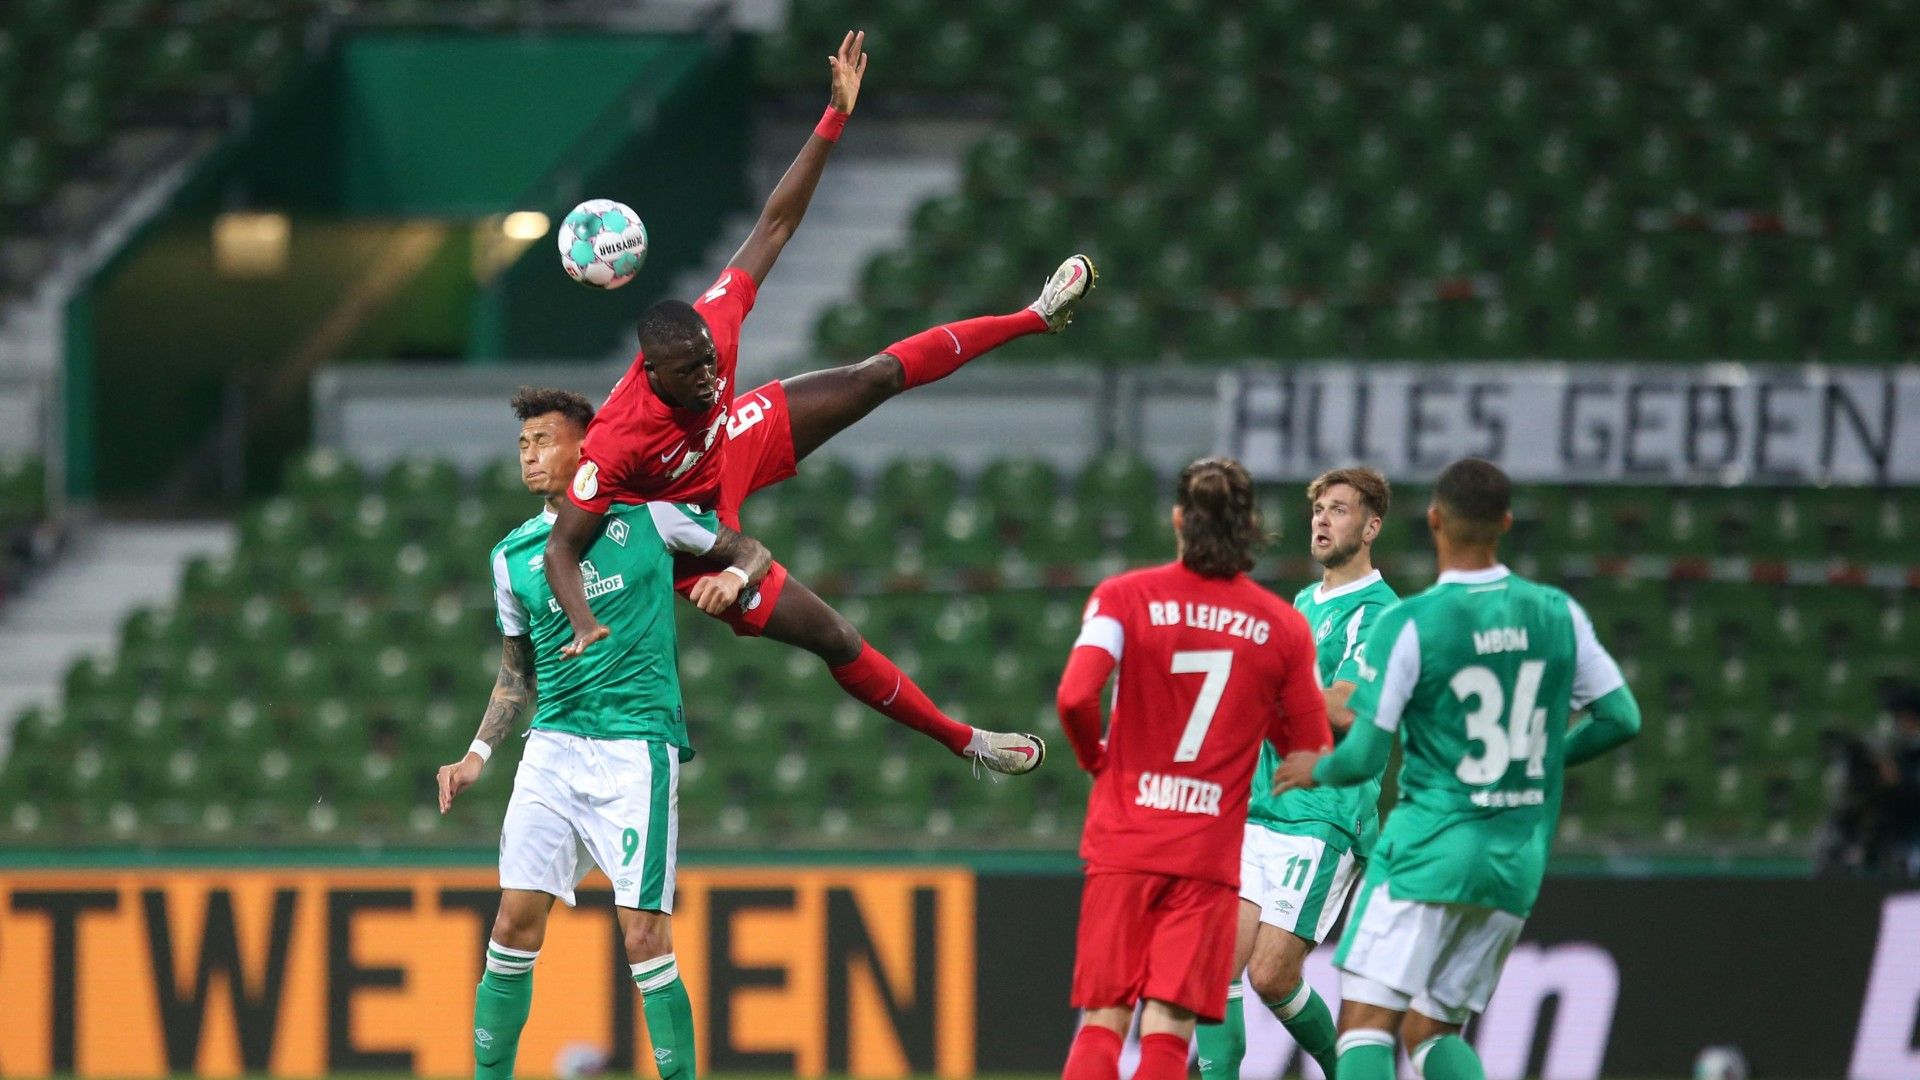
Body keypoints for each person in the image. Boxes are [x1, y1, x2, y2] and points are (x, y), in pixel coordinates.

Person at [544, 30, 1094, 775]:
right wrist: (583, 622)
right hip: (682, 521)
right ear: (655, 377)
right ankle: (966, 742)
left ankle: (1036, 315)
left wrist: (833, 117)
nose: (712, 377)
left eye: (712, 363)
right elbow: (563, 547)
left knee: (873, 375)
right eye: (694, 374)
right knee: (833, 636)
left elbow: (775, 223)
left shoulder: (714, 327)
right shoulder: (617, 440)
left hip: (728, 448)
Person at [437, 387, 774, 1080]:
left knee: (644, 936)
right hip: (554, 748)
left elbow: (751, 549)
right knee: (510, 926)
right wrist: (475, 754)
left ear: (585, 446)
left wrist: (736, 576)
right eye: (524, 443)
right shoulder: (512, 555)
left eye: (546, 440)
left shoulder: (649, 515)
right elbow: (515, 675)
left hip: (635, 746)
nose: (531, 454)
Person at [1274, 458, 1642, 1080]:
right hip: (1514, 861)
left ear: (1435, 521)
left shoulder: (1409, 623)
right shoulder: (1558, 613)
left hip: (1428, 847)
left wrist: (1318, 770)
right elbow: (1621, 717)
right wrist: (1546, 760)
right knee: (1431, 1029)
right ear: (1504, 522)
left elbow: (1364, 755)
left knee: (1365, 1023)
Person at [1054, 457, 1334, 1080]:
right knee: (1169, 1029)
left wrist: (1095, 759)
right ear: (1250, 526)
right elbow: (1309, 748)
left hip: (1125, 839)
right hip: (1206, 856)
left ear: (1178, 519)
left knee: (1103, 1019)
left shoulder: (1122, 597)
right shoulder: (1284, 628)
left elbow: (1075, 696)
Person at [1197, 467, 1398, 1080]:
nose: (1322, 519)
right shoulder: (1304, 604)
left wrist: (1269, 682)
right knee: (1216, 968)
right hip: (1262, 804)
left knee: (1272, 974)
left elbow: (1344, 708)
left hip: (1324, 812)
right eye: (1318, 508)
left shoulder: (1381, 613)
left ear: (1371, 526)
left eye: (1339, 509)